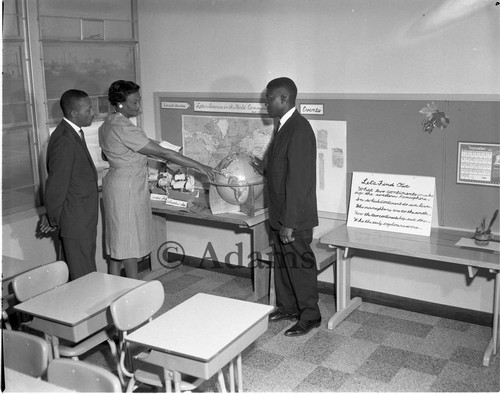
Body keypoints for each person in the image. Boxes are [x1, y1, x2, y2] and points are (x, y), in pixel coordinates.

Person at [99, 80, 216, 279]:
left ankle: (113, 287)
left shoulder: (108, 124)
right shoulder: (124, 128)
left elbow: (111, 153)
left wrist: (163, 149)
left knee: (118, 239)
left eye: (139, 100)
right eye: (134, 102)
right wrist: (199, 166)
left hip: (116, 182)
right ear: (120, 104)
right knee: (129, 242)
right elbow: (163, 153)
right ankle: (133, 289)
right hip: (127, 186)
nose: (138, 106)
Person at [263, 77, 321, 337]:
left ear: (284, 98)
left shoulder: (298, 129)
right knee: (283, 265)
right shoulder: (283, 126)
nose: (266, 103)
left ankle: (310, 315)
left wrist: (289, 222)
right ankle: (287, 307)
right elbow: (282, 168)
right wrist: (261, 166)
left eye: (269, 98)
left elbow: (299, 181)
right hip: (279, 212)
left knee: (299, 265)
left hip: (293, 216)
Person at [41, 89, 98, 280]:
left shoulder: (73, 134)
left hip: (81, 217)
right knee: (84, 274)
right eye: (88, 109)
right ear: (74, 113)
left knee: (77, 270)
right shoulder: (64, 139)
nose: (93, 113)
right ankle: (89, 309)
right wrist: (53, 219)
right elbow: (56, 185)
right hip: (75, 219)